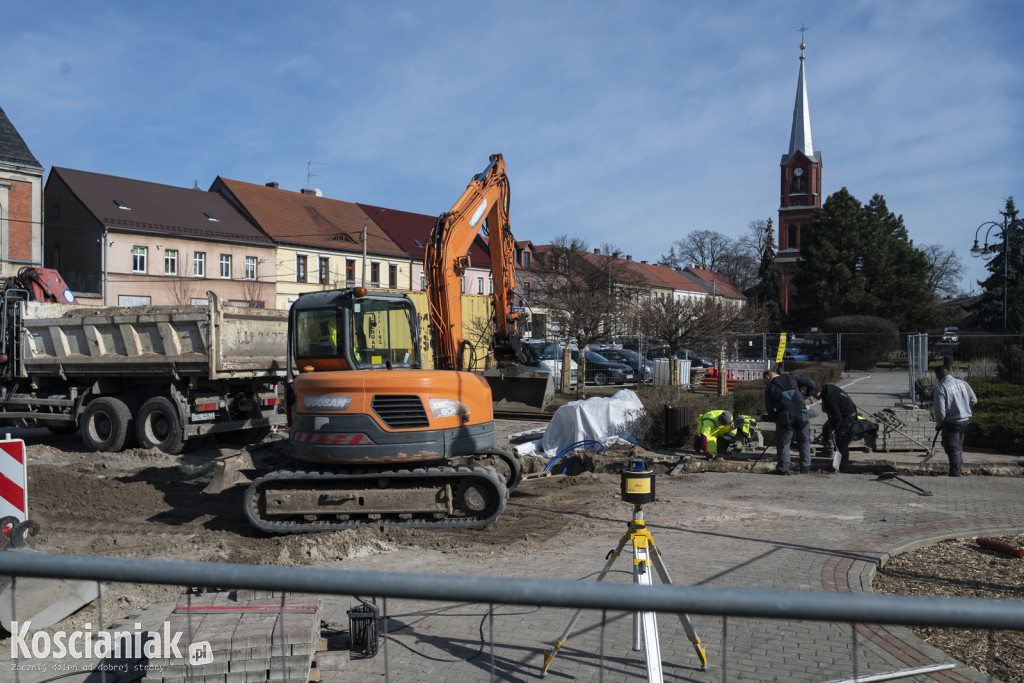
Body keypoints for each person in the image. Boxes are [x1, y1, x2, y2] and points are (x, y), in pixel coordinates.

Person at [763, 369, 817, 475]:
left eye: (765, 381)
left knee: (784, 443)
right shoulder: (792, 378)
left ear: (767, 377)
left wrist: (774, 419)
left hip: (785, 416)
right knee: (804, 442)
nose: (765, 383)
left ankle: (783, 469)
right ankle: (805, 469)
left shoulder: (769, 387)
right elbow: (812, 383)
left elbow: (769, 407)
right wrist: (805, 393)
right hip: (802, 413)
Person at [932, 365, 977, 477]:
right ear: (949, 372)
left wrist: (939, 424)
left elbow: (940, 412)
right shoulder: (963, 383)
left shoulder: (941, 389)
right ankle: (959, 468)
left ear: (938, 375)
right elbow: (974, 400)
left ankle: (956, 472)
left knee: (952, 447)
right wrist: (962, 407)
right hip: (965, 421)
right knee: (959, 446)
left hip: (952, 423)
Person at [813, 384, 858, 473]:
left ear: (819, 391)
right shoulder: (826, 389)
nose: (814, 397)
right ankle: (828, 451)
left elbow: (838, 418)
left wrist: (833, 428)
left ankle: (844, 466)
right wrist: (826, 407)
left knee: (841, 440)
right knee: (826, 427)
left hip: (847, 416)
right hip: (841, 413)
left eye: (815, 394)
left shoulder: (828, 397)